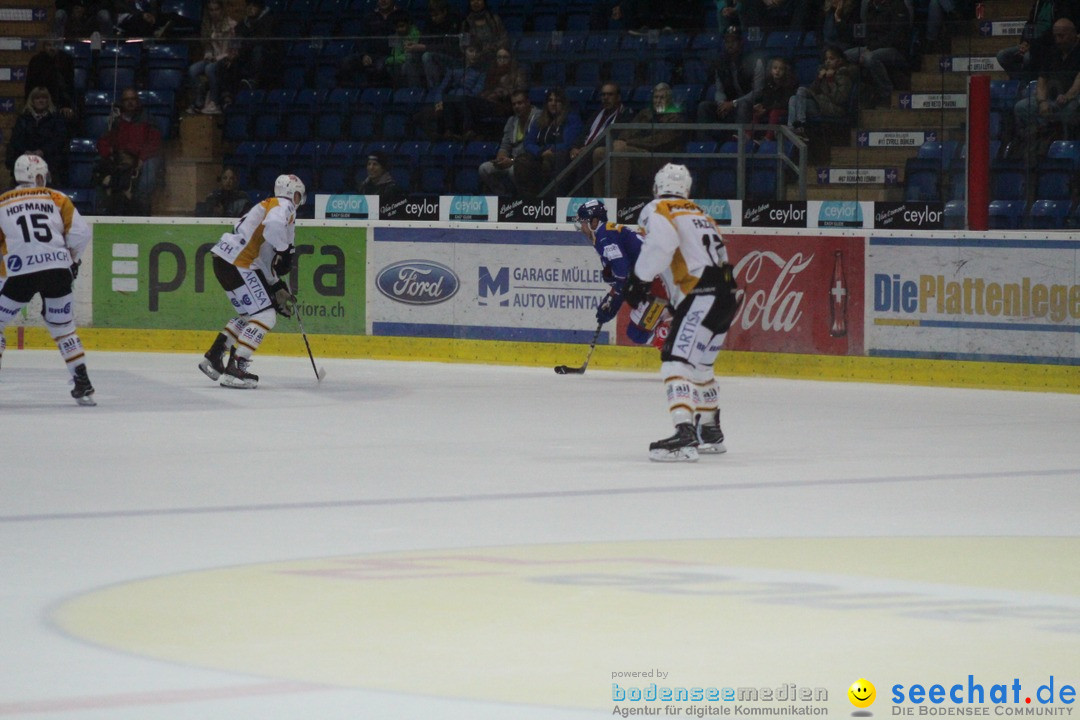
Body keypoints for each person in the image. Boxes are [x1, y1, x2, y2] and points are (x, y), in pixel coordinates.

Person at [621, 163, 740, 462]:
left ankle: (684, 433)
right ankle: (710, 430)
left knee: (675, 360)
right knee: (701, 366)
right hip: (727, 292)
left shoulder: (658, 208)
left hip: (700, 294)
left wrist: (639, 279)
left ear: (656, 186)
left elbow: (661, 244)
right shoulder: (702, 213)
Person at [0, 154, 95, 405]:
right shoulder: (57, 198)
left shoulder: (1, 203)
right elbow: (81, 233)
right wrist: (71, 260)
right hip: (57, 270)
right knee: (63, 327)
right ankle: (82, 382)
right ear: (38, 176)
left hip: (21, 272)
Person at [199, 174, 305, 389]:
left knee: (249, 316)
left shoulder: (263, 207)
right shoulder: (283, 205)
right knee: (265, 315)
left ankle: (214, 356)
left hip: (224, 260)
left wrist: (275, 285)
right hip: (238, 263)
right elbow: (274, 226)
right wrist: (285, 251)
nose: (299, 201)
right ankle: (236, 368)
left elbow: (262, 257)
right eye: (299, 195)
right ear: (293, 194)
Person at [575, 199, 671, 349]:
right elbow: (624, 276)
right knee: (639, 333)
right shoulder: (607, 233)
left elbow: (622, 271)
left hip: (659, 284)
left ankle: (676, 339)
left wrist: (614, 298)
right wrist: (612, 299)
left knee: (638, 334)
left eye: (583, 222)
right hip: (657, 281)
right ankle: (673, 326)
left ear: (594, 221)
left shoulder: (604, 235)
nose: (582, 228)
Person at [592, 82, 686, 197]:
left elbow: (658, 142)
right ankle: (600, 199)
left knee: (621, 151)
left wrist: (628, 143)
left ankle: (617, 200)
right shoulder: (645, 114)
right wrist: (622, 140)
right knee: (599, 153)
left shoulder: (675, 118)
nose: (658, 101)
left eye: (662, 97)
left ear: (669, 100)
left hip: (657, 158)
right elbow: (627, 132)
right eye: (656, 97)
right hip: (637, 153)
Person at [1011, 17, 1080, 156]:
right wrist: (1042, 102)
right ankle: (1042, 134)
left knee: (1071, 110)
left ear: (1073, 34)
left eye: (1062, 36)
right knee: (1022, 107)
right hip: (1051, 100)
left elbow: (1079, 81)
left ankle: (1062, 139)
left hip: (1072, 99)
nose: (1058, 40)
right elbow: (1042, 79)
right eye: (1056, 36)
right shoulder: (1052, 52)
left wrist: (1067, 97)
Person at [94, 88, 162, 215]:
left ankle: (141, 211)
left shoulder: (148, 119)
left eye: (133, 99)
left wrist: (140, 158)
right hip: (122, 159)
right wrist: (110, 154)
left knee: (149, 170)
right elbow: (104, 142)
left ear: (138, 101)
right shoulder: (117, 122)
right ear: (122, 102)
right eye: (126, 100)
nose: (130, 103)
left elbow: (154, 143)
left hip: (144, 159)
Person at [515, 87, 583, 198]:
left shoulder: (571, 119)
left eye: (557, 101)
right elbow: (528, 142)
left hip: (559, 155)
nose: (553, 104)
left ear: (563, 103)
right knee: (522, 161)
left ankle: (551, 199)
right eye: (550, 100)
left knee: (554, 159)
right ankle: (527, 201)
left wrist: (549, 151)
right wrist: (540, 152)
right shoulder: (540, 120)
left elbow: (568, 143)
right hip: (540, 155)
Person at [843, 0, 912, 108]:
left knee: (871, 58)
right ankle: (862, 90)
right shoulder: (870, 5)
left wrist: (870, 49)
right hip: (872, 47)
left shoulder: (898, 5)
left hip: (895, 49)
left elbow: (896, 36)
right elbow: (867, 32)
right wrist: (868, 48)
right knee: (845, 56)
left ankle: (887, 93)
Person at [479, 89, 541, 196]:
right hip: (511, 160)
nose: (516, 106)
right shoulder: (511, 121)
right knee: (484, 169)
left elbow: (534, 148)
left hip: (529, 162)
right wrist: (501, 159)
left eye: (520, 103)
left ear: (528, 102)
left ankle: (524, 199)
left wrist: (513, 161)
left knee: (515, 171)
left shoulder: (538, 117)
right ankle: (503, 197)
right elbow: (504, 146)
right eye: (514, 104)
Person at [5, 86, 71, 186]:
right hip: (24, 162)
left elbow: (59, 140)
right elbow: (16, 140)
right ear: (32, 101)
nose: (41, 101)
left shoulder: (56, 119)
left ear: (48, 100)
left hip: (49, 162)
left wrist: (42, 151)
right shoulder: (23, 118)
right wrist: (25, 152)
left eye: (44, 98)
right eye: (37, 98)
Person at [787, 44, 855, 139]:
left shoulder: (844, 76)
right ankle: (795, 129)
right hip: (820, 104)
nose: (827, 61)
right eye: (826, 59)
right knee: (794, 97)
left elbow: (839, 99)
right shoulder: (823, 72)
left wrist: (830, 81)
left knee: (797, 96)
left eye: (831, 59)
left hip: (833, 109)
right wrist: (819, 79)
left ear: (840, 60)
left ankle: (799, 126)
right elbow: (814, 91)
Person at [187, 0, 237, 115]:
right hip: (213, 58)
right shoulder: (208, 26)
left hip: (226, 59)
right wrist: (208, 55)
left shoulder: (232, 25)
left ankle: (214, 102)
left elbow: (234, 50)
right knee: (193, 69)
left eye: (216, 9)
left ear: (222, 10)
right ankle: (198, 102)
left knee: (210, 68)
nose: (214, 13)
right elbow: (208, 46)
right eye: (211, 10)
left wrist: (219, 58)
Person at [24, 37, 77, 125]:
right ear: (44, 46)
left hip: (60, 104)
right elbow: (30, 86)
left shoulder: (66, 60)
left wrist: (67, 105)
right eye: (49, 45)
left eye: (55, 45)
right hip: (39, 102)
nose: (52, 48)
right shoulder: (36, 61)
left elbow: (69, 86)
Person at [460, 0, 508, 67]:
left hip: (494, 61)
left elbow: (504, 40)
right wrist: (468, 52)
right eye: (472, 0)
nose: (476, 2)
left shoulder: (494, 20)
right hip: (474, 63)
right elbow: (463, 45)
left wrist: (489, 50)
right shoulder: (466, 23)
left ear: (484, 2)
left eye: (479, 0)